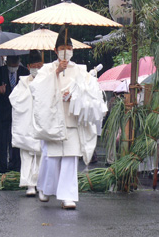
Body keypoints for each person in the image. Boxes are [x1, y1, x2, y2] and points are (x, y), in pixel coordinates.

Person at [30, 31, 107, 209]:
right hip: (54, 120)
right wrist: (56, 73)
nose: (66, 52)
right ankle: (45, 188)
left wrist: (75, 96)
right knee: (52, 159)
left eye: (69, 48)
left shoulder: (80, 70)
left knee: (70, 159)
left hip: (72, 120)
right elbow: (37, 90)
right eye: (63, 49)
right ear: (55, 51)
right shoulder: (47, 69)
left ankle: (67, 196)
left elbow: (89, 92)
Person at [9, 50, 43, 196]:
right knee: (27, 156)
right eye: (34, 66)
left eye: (39, 66)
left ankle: (41, 184)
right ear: (28, 66)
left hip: (41, 124)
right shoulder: (23, 82)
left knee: (42, 155)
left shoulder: (48, 81)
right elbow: (14, 99)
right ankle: (29, 185)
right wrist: (30, 94)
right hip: (27, 124)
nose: (37, 68)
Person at [0, 56, 29, 173]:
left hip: (19, 112)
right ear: (7, 62)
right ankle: (1, 166)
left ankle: (16, 165)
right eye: (11, 63)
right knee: (1, 140)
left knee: (17, 139)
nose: (13, 66)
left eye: (15, 63)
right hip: (2, 113)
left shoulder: (24, 72)